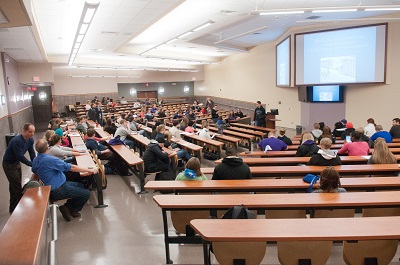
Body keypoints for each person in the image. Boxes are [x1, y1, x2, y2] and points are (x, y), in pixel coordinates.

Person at [32, 139, 97, 222]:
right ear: (47, 148)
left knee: (81, 186)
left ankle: (67, 207)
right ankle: (73, 209)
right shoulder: (50, 159)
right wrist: (90, 170)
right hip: (57, 189)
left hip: (57, 185)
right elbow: (71, 167)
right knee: (86, 193)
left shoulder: (35, 160)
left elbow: (34, 170)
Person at [2, 123, 36, 213]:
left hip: (16, 163)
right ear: (24, 131)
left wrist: (35, 163)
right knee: (17, 187)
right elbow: (20, 156)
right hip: (9, 164)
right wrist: (31, 164)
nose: (32, 134)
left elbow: (32, 153)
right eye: (30, 132)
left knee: (13, 186)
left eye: (33, 132)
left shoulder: (30, 140)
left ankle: (12, 209)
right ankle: (23, 210)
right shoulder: (16, 141)